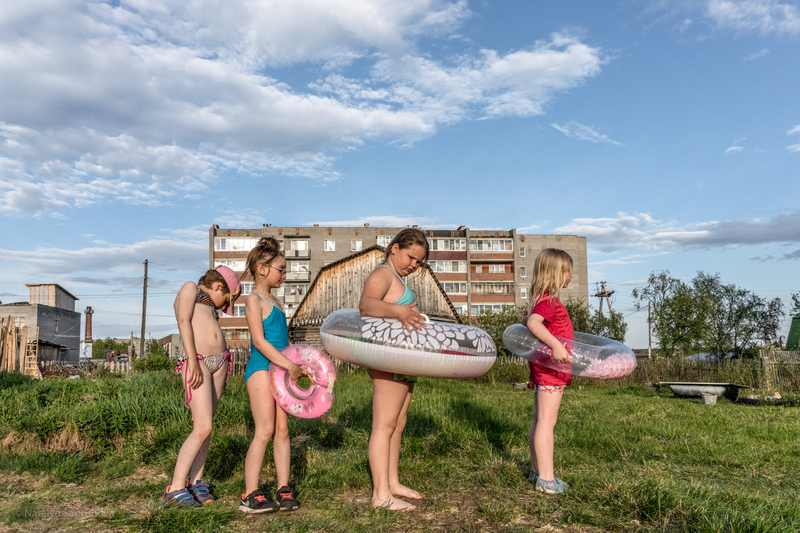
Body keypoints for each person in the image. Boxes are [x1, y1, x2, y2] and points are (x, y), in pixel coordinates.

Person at [358, 228, 429, 511]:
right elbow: (366, 305)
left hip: (403, 361)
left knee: (398, 425)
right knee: (384, 426)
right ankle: (380, 495)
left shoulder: (397, 277)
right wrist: (400, 312)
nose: (414, 264)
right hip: (388, 360)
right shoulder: (383, 274)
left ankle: (392, 482)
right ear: (395, 248)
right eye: (412, 257)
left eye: (420, 262)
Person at [161, 266, 241, 508]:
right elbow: (183, 320)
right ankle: (174, 488)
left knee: (207, 427)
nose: (223, 307)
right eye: (226, 300)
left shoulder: (209, 307)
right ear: (218, 286)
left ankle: (196, 482)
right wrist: (193, 360)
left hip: (220, 362)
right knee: (202, 427)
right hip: (198, 361)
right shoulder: (190, 289)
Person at [240, 237, 306, 513]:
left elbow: (283, 340)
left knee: (282, 431)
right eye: (281, 268)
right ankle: (250, 494)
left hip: (282, 371)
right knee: (265, 430)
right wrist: (288, 365)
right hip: (262, 369)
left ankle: (283, 487)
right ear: (262, 268)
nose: (285, 274)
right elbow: (260, 341)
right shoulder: (253, 298)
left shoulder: (276, 300)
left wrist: (295, 364)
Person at [522, 248, 574, 494]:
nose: (570, 277)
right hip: (551, 369)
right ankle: (547, 479)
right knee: (547, 422)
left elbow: (527, 322)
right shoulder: (549, 301)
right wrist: (556, 345)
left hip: (544, 369)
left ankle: (537, 471)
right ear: (555, 273)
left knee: (538, 419)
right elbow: (533, 324)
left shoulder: (540, 299)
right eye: (567, 272)